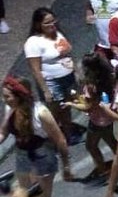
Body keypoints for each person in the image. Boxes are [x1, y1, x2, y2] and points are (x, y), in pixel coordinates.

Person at [0, 75, 76, 197]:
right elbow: (3, 131)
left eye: (7, 96)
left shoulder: (40, 112)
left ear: (19, 94)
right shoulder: (10, 108)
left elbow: (60, 140)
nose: (5, 100)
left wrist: (66, 166)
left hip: (42, 158)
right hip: (23, 156)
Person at [23, 7, 79, 143]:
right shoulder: (33, 42)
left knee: (67, 107)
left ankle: (68, 135)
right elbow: (35, 69)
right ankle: (55, 140)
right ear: (38, 25)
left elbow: (67, 53)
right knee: (55, 112)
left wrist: (75, 72)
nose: (52, 25)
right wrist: (45, 90)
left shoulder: (58, 34)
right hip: (52, 82)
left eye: (53, 21)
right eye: (47, 23)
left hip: (68, 78)